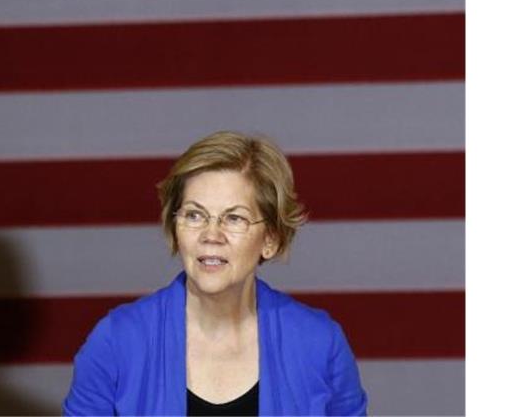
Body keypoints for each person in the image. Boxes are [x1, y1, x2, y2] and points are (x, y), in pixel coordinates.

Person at [63, 131, 367, 416]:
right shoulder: (117, 341)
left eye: (234, 218)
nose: (212, 234)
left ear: (271, 240)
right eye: (195, 215)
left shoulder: (319, 342)